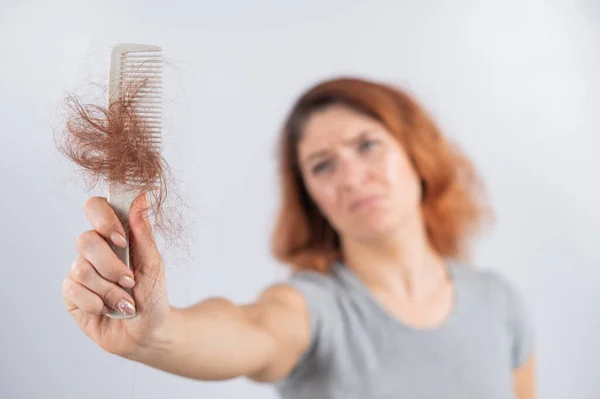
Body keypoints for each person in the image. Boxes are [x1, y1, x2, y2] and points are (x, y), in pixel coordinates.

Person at [61, 77, 535, 398]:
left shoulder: (500, 302)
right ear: (312, 198)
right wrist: (158, 333)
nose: (350, 176)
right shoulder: (312, 310)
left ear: (417, 155)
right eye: (322, 165)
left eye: (367, 145)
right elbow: (251, 330)